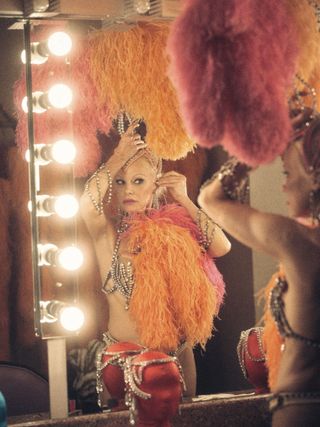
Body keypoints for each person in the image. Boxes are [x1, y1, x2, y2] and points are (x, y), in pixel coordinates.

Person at [80, 112, 231, 406]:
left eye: (138, 181)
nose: (128, 190)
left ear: (155, 184)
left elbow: (221, 246)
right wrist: (117, 157)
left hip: (175, 356)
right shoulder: (107, 234)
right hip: (121, 359)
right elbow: (87, 204)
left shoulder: (175, 231)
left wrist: (185, 200)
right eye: (120, 182)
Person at [198, 107, 320, 427]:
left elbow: (211, 199)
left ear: (315, 178)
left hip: (302, 410)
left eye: (288, 174)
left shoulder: (299, 242)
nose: (284, 186)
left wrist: (257, 147)